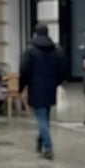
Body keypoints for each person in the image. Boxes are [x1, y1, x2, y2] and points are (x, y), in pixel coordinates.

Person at [19, 23, 68, 159]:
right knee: (45, 117)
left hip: (36, 88)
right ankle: (40, 142)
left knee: (41, 118)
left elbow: (24, 70)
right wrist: (56, 82)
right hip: (50, 88)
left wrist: (21, 87)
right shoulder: (57, 50)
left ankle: (48, 147)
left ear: (35, 34)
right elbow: (64, 69)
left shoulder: (30, 51)